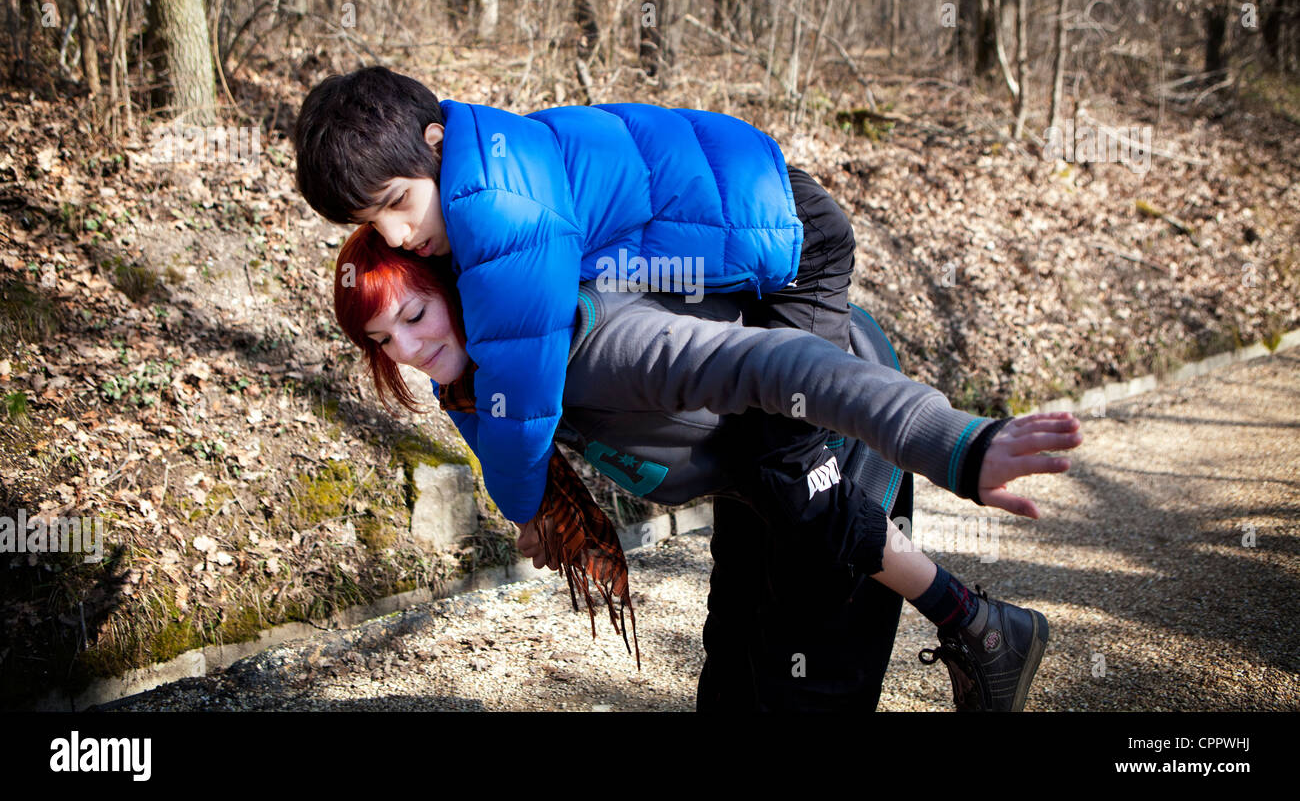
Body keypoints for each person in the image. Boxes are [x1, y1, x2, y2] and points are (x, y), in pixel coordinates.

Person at [333, 226, 1083, 711]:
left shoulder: (597, 348)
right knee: (732, 678)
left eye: (414, 315)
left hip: (830, 426)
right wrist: (538, 517)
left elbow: (779, 361)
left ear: (463, 292)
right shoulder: (476, 379)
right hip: (749, 471)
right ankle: (981, 624)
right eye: (381, 338)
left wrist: (953, 442)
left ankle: (983, 630)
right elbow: (511, 454)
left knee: (803, 682)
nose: (404, 348)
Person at [293, 66, 859, 560]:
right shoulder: (490, 153)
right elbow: (470, 376)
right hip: (745, 234)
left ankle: (936, 601)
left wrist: (527, 509)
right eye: (370, 221)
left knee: (794, 465)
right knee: (759, 483)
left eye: (397, 202)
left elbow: (518, 390)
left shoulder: (499, 205)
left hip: (799, 240)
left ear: (434, 143)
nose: (393, 235)